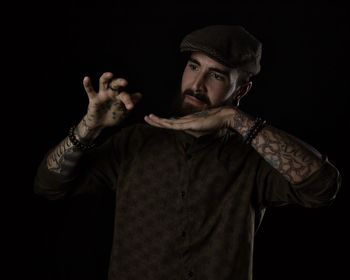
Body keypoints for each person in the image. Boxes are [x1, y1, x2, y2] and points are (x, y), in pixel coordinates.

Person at [34, 25, 341, 280]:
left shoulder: (252, 157)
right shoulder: (136, 142)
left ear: (242, 89)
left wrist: (235, 119)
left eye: (217, 75)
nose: (197, 85)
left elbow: (322, 187)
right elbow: (49, 186)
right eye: (193, 66)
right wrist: (89, 126)